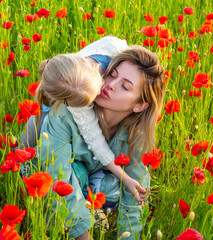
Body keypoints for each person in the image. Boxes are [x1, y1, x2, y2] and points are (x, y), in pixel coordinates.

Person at [33, 45, 166, 240]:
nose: (110, 84)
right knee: (73, 175)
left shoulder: (134, 134)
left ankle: (91, 212)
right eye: (112, 74)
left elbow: (136, 194)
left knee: (111, 187)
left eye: (125, 86)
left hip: (92, 176)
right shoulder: (67, 112)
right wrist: (83, 236)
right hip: (43, 168)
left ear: (139, 105)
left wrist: (128, 236)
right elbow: (56, 177)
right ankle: (75, 222)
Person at [19, 37, 147, 202]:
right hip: (44, 114)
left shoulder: (113, 48)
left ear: (83, 61)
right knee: (21, 151)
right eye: (98, 93)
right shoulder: (78, 104)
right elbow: (95, 142)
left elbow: (127, 52)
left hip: (66, 89)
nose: (106, 87)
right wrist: (123, 176)